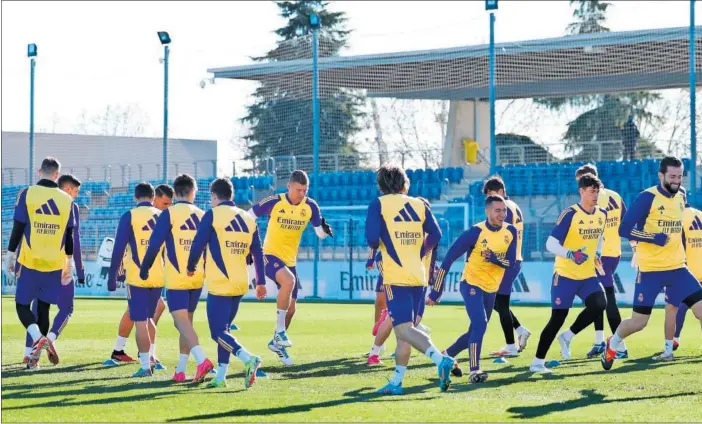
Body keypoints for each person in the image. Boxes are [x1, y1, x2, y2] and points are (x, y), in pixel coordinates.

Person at [602, 156, 702, 370]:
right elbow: (624, 229)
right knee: (639, 322)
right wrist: (652, 238)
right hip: (650, 270)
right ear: (661, 175)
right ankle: (614, 342)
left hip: (678, 269)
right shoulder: (646, 198)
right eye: (672, 176)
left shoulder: (681, 196)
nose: (677, 181)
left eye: (680, 176)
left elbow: (677, 230)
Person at [365, 164, 454, 395]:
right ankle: (396, 382)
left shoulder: (379, 204)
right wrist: (420, 252)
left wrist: (379, 243)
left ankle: (440, 360)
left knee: (403, 330)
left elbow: (372, 238)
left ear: (381, 185)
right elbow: (436, 234)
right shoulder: (419, 204)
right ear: (404, 184)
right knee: (406, 332)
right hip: (418, 276)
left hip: (396, 276)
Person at [248, 170, 333, 366]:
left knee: (292, 309)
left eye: (305, 190)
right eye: (298, 190)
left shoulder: (310, 206)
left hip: (290, 260)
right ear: (289, 186)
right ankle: (279, 333)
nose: (301, 194)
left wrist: (324, 230)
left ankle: (276, 344)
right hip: (268, 254)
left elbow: (319, 233)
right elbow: (248, 215)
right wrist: (249, 241)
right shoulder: (274, 201)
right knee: (289, 281)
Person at [429, 195, 518, 383]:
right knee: (480, 325)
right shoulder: (475, 232)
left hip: (491, 287)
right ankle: (474, 370)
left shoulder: (511, 231)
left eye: (504, 210)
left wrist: (494, 258)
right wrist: (436, 291)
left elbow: (509, 262)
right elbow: (448, 260)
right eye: (498, 210)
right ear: (487, 211)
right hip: (471, 284)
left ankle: (445, 356)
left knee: (474, 331)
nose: (502, 214)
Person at [187, 178, 265, 388]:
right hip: (241, 282)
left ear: (214, 196)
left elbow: (198, 244)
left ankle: (249, 358)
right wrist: (261, 281)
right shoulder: (248, 218)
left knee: (217, 333)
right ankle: (221, 377)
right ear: (231, 195)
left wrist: (190, 266)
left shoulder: (212, 215)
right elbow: (258, 252)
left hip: (221, 282)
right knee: (225, 330)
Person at [529, 173, 608, 374]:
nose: (595, 195)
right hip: (565, 275)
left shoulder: (602, 214)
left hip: (588, 275)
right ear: (581, 191)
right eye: (592, 192)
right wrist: (570, 254)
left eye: (597, 192)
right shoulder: (570, 214)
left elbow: (599, 238)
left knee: (600, 303)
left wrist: (597, 252)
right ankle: (537, 362)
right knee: (557, 319)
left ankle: (568, 336)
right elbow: (550, 244)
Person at [140, 174, 214, 382]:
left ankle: (202, 360)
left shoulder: (169, 214)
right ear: (193, 191)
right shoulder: (203, 214)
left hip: (177, 276)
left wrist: (145, 268)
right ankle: (180, 371)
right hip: (198, 275)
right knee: (186, 323)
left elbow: (154, 244)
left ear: (176, 192)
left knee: (181, 322)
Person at [4, 157, 75, 370]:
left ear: (38, 172)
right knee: (43, 309)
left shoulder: (27, 193)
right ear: (57, 175)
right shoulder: (67, 199)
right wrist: (69, 263)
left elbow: (18, 227)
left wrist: (9, 255)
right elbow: (69, 235)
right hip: (54, 263)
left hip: (30, 260)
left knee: (22, 305)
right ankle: (33, 360)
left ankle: (36, 339)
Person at [568, 165, 630, 359]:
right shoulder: (615, 196)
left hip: (600, 256)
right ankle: (599, 342)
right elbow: (626, 222)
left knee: (608, 299)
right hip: (614, 253)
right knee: (598, 299)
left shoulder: (591, 201)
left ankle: (620, 346)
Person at [22, 174, 85, 365]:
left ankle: (29, 353)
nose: (76, 195)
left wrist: (18, 263)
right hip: (60, 266)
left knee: (39, 308)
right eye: (75, 191)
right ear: (67, 189)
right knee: (66, 307)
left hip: (37, 265)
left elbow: (25, 233)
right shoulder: (70, 206)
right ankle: (49, 338)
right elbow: (75, 241)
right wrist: (79, 270)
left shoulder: (34, 201)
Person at [366, 197, 437, 365]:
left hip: (419, 282)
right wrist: (385, 276)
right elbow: (377, 251)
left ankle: (395, 356)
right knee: (397, 320)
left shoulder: (430, 235)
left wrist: (431, 276)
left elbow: (432, 257)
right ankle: (375, 353)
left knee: (411, 323)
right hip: (399, 280)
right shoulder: (403, 231)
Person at [108, 184, 173, 365]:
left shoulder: (129, 216)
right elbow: (171, 251)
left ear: (135, 197)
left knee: (140, 320)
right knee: (149, 317)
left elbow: (118, 248)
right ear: (153, 197)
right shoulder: (164, 217)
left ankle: (144, 362)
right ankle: (149, 355)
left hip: (136, 276)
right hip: (158, 277)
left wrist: (112, 276)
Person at [480, 177, 531, 358]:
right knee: (498, 302)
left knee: (500, 303)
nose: (490, 200)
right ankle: (519, 330)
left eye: (492, 194)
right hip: (512, 260)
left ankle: (511, 346)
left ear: (500, 191)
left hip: (506, 261)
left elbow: (502, 235)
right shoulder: (514, 206)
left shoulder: (504, 209)